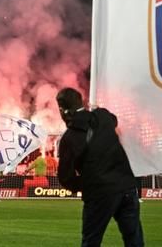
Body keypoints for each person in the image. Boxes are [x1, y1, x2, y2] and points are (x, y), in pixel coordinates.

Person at [56, 87, 143, 247]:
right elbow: (113, 119)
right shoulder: (102, 116)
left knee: (91, 242)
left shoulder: (69, 138)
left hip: (99, 194)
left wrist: (86, 183)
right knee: (134, 241)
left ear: (62, 110)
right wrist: (95, 111)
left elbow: (65, 178)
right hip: (127, 186)